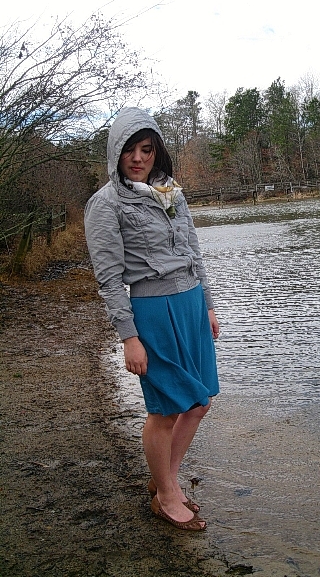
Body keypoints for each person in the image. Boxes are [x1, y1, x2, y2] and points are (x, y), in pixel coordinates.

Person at [84, 107, 219, 532]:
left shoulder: (171, 192)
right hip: (154, 311)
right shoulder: (105, 204)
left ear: (157, 150)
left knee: (199, 404)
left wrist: (208, 305)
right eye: (129, 149)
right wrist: (129, 337)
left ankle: (166, 482)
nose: (138, 158)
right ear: (116, 152)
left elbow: (194, 253)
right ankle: (166, 497)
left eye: (146, 149)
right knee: (165, 410)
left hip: (191, 303)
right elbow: (109, 280)